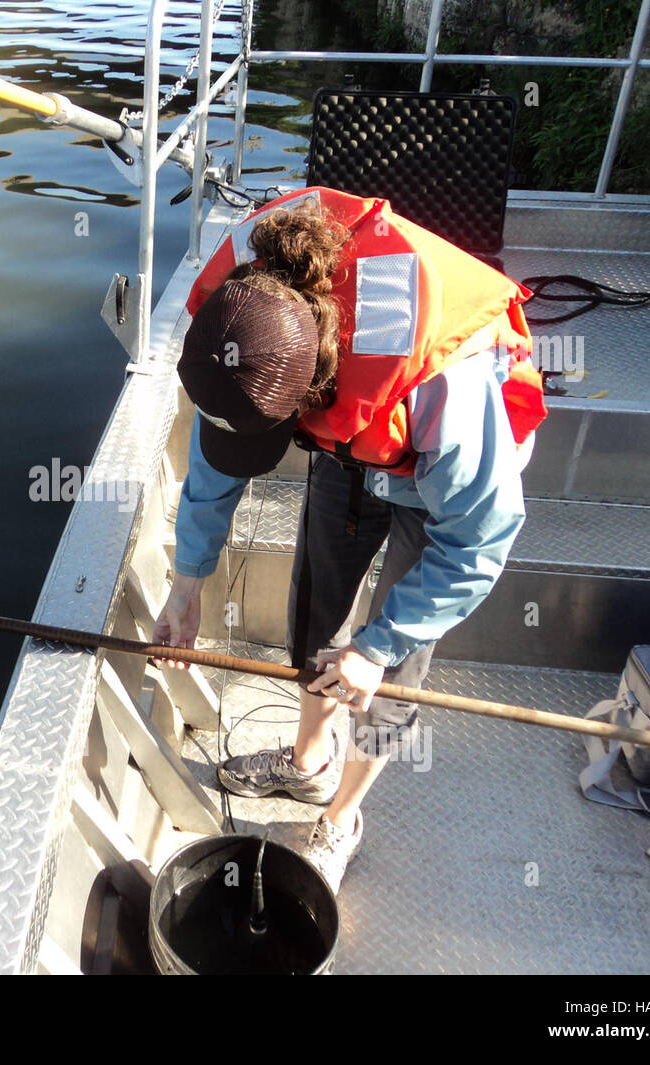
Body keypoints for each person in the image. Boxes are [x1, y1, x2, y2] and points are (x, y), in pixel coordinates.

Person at [154, 187, 547, 892]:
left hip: (436, 484)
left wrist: (379, 646)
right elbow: (219, 453)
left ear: (312, 385)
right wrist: (189, 580)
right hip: (353, 446)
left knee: (386, 671)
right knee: (319, 612)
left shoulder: (442, 390)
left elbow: (480, 540)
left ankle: (342, 815)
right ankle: (308, 766)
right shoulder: (242, 302)